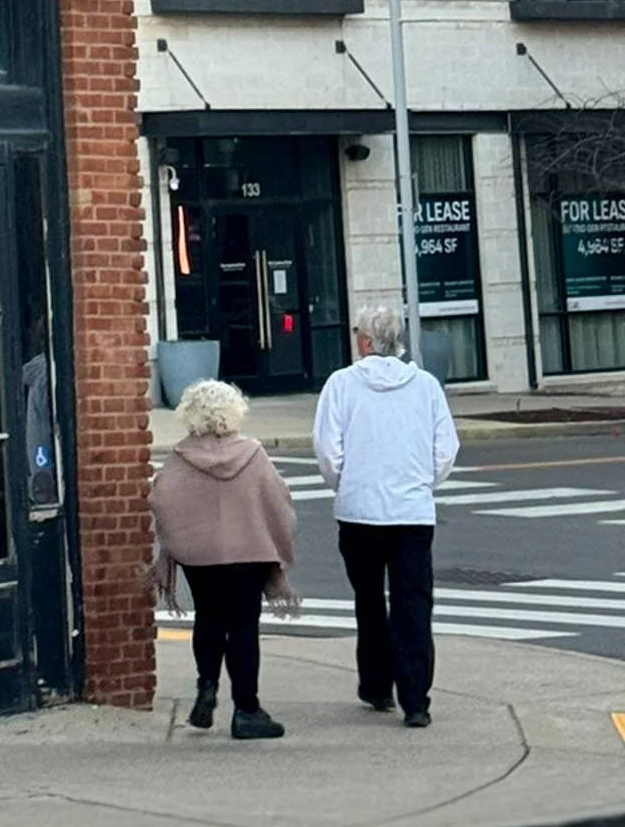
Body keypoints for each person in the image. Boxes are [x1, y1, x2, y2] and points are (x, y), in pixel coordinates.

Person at [314, 304, 459, 728]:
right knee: (413, 603)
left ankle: (377, 684)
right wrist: (421, 484)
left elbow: (327, 450)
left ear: (364, 341)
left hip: (360, 512)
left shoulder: (340, 385)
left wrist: (348, 482)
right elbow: (445, 449)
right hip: (412, 513)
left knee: (370, 600)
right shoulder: (426, 387)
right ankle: (416, 699)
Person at [150, 379, 297, 740]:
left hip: (200, 559)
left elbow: (161, 500)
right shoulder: (252, 454)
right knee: (244, 627)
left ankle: (206, 686)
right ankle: (247, 711)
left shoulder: (180, 458)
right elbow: (278, 500)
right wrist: (277, 539)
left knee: (209, 618)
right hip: (248, 554)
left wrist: (180, 541)